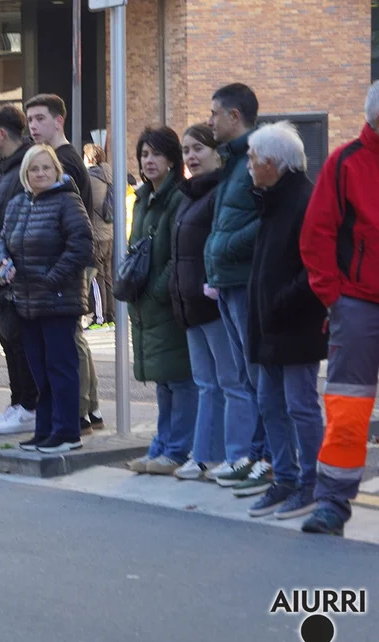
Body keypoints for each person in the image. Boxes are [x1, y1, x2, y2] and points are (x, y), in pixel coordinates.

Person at [299, 81, 379, 536]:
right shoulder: (345, 162)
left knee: (348, 405)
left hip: (354, 301)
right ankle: (332, 501)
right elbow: (317, 234)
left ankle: (331, 501)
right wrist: (335, 297)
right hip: (358, 302)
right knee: (348, 408)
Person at [242, 121, 327, 517]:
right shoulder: (272, 200)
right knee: (270, 404)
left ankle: (311, 484)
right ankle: (285, 479)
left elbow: (315, 269)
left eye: (253, 158)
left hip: (296, 324)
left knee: (300, 406)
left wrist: (278, 303)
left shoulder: (305, 201)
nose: (249, 165)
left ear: (272, 163)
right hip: (270, 323)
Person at [0, 144, 93, 453]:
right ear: (26, 173)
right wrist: (3, 261)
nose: (40, 173)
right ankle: (46, 429)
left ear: (56, 170)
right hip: (27, 301)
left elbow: (81, 246)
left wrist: (51, 279)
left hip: (59, 300)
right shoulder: (18, 203)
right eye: (34, 168)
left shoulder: (68, 202)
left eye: (46, 168)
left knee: (60, 368)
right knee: (39, 369)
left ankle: (67, 433)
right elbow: (2, 239)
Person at [203, 82, 271, 488]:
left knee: (260, 376)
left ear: (234, 116)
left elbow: (271, 219)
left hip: (245, 282)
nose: (209, 120)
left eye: (214, 113)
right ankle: (256, 455)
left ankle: (269, 458)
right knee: (247, 377)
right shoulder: (232, 160)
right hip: (227, 282)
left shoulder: (257, 157)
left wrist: (225, 246)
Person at [167, 123, 243, 482]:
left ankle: (237, 455)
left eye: (198, 148)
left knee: (231, 382)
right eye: (186, 150)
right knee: (207, 384)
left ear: (217, 153)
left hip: (214, 303)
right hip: (190, 305)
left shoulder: (222, 193)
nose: (191, 156)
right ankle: (205, 455)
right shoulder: (189, 195)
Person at [25, 93, 102, 433]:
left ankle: (79, 412)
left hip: (63, 270)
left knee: (68, 343)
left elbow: (76, 233)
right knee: (73, 340)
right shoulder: (61, 158)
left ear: (59, 121)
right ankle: (88, 409)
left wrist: (53, 275)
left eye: (40, 118)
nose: (33, 126)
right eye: (30, 119)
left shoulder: (65, 161)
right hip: (56, 269)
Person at [123, 127, 196, 476]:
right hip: (146, 303)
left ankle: (177, 449)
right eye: (144, 154)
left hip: (167, 302)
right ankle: (162, 445)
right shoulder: (143, 198)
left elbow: (178, 256)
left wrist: (155, 292)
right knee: (163, 382)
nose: (149, 161)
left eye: (157, 154)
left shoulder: (178, 197)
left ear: (172, 159)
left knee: (179, 380)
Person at [0, 104, 38, 436]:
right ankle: (18, 402)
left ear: (1, 133)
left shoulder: (21, 169)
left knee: (20, 345)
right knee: (10, 345)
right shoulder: (7, 169)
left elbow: (15, 225)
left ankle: (29, 406)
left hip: (11, 276)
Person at [83, 143, 115, 326]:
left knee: (96, 277)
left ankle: (99, 317)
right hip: (109, 234)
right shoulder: (109, 176)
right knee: (108, 276)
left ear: (89, 158)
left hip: (96, 234)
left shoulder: (89, 179)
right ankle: (111, 316)